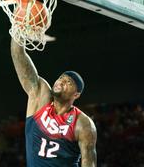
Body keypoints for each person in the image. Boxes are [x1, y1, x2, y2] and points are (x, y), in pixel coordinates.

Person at [10, 39, 97, 167]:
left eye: (69, 82)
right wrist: (19, 33)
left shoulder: (82, 123)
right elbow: (18, 55)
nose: (62, 81)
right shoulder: (40, 97)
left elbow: (89, 163)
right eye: (61, 78)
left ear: (76, 95)